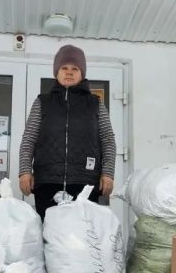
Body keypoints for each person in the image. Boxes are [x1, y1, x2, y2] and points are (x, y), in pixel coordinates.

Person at [19, 45, 116, 221]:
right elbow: (29, 139)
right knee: (49, 233)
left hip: (85, 183)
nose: (69, 72)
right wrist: (25, 171)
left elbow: (108, 140)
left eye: (75, 68)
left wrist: (107, 173)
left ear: (82, 73)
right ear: (57, 72)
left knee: (82, 236)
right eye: (64, 68)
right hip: (47, 182)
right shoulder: (42, 102)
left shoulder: (96, 104)